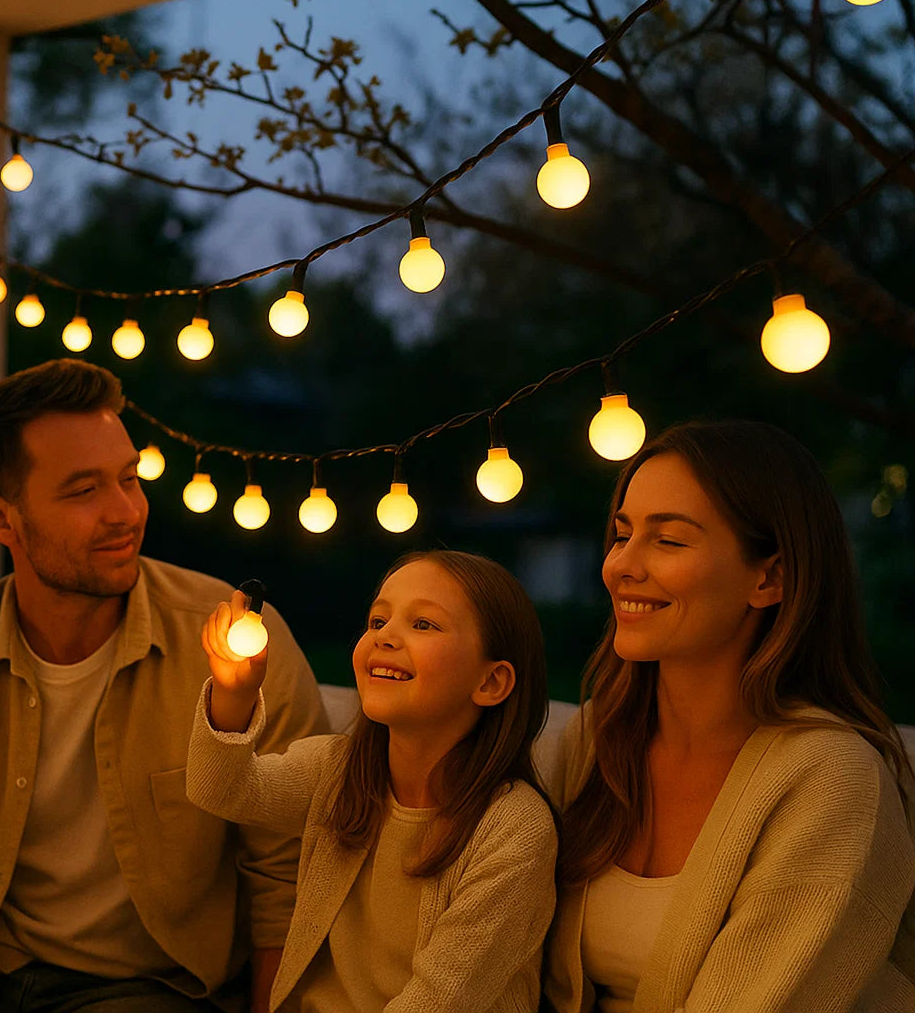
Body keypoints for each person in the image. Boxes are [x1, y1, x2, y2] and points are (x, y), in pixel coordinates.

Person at [0, 358, 329, 1013]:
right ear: (2, 520)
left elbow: (287, 883)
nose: (126, 511)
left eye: (130, 479)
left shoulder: (233, 644)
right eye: (83, 491)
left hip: (143, 985)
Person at [543, 420, 915, 1013]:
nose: (621, 566)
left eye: (668, 541)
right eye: (622, 534)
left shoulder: (834, 780)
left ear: (769, 578)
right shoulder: (596, 740)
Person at [187, 550, 558, 1012]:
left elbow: (436, 1002)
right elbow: (218, 789)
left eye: (423, 625)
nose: (385, 638)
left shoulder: (514, 829)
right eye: (377, 621)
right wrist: (233, 692)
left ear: (491, 682)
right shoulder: (337, 771)